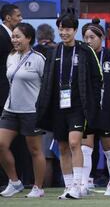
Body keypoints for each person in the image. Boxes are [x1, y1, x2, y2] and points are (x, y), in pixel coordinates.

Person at [36, 13, 102, 199]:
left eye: (68, 29)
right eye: (61, 28)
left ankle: (79, 185)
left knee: (75, 143)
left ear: (74, 30)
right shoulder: (54, 52)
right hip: (58, 107)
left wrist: (94, 102)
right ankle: (68, 187)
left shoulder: (85, 51)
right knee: (63, 147)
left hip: (79, 106)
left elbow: (97, 79)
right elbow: (47, 79)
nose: (64, 32)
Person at [0, 23, 46, 198]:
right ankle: (14, 182)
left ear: (29, 38)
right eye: (13, 36)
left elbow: (46, 85)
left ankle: (38, 187)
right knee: (1, 145)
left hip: (31, 111)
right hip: (10, 109)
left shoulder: (38, 59)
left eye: (18, 36)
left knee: (34, 150)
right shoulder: (10, 57)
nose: (14, 40)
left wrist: (43, 109)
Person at [80, 18, 110, 196]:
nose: (88, 41)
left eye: (92, 37)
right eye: (86, 38)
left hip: (107, 111)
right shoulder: (81, 56)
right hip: (87, 110)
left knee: (109, 150)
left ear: (102, 37)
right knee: (85, 149)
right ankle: (84, 183)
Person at [33, 24, 57, 188]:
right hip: (58, 107)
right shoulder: (59, 50)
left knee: (41, 152)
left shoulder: (32, 52)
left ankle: (42, 187)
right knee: (58, 152)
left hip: (36, 108)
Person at [0, 5, 23, 113]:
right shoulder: (1, 35)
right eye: (18, 16)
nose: (21, 18)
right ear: (8, 18)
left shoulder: (10, 36)